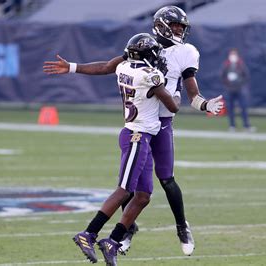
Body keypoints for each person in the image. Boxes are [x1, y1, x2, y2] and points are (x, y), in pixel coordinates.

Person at [43, 6, 223, 256]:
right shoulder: (144, 49)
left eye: (182, 27)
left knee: (160, 181)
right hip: (142, 128)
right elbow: (109, 66)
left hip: (157, 125)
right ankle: (119, 234)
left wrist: (203, 104)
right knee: (133, 187)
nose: (179, 31)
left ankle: (181, 226)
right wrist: (74, 67)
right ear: (161, 26)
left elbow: (191, 93)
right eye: (175, 26)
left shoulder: (181, 53)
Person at [72, 33, 180, 266]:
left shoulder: (123, 67)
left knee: (143, 196)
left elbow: (107, 66)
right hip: (136, 136)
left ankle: (113, 240)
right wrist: (176, 90)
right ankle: (88, 233)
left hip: (141, 137)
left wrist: (72, 67)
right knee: (124, 190)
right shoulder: (150, 76)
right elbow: (172, 106)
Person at [221, 48, 256, 133]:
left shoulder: (241, 65)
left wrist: (239, 82)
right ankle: (232, 125)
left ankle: (246, 126)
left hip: (240, 90)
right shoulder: (226, 65)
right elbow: (222, 76)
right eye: (231, 54)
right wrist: (228, 83)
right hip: (230, 90)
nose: (233, 56)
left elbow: (246, 76)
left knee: (243, 108)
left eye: (234, 55)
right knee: (230, 108)